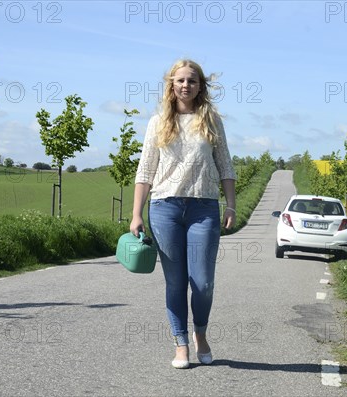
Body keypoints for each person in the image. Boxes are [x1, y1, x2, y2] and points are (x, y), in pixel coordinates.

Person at [130, 59, 237, 369]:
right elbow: (145, 170)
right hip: (164, 207)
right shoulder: (157, 122)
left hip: (203, 207)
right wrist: (137, 214)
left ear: (200, 85)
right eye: (180, 80)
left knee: (203, 283)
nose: (186, 85)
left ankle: (200, 334)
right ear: (171, 85)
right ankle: (181, 344)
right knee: (176, 282)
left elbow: (226, 166)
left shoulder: (212, 120)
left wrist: (230, 204)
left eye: (192, 80)